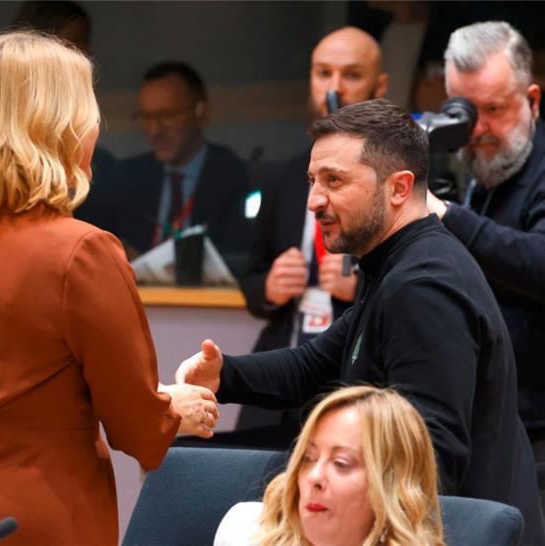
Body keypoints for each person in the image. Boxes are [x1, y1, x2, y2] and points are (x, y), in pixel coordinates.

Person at [0, 32, 218, 546]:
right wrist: (176, 410)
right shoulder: (82, 251)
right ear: (62, 124)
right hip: (32, 520)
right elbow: (138, 430)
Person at [176, 99, 545, 544]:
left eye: (335, 181)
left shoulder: (424, 285)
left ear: (399, 188)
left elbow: (429, 457)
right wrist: (223, 375)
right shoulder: (394, 265)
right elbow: (317, 365)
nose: (314, 200)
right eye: (313, 181)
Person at [237, 27, 389, 442]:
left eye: (351, 75)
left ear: (380, 86)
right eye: (323, 73)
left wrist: (359, 288)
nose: (334, 87)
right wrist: (269, 287)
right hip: (284, 362)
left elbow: (415, 283)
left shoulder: (395, 179)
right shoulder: (286, 176)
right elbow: (251, 279)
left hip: (354, 377)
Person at [425, 21, 545, 504]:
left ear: (533, 100)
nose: (478, 130)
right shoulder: (485, 171)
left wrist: (450, 216)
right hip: (488, 427)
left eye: (495, 110)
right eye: (464, 111)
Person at [214, 386, 444, 546]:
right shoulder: (244, 533)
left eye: (341, 463)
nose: (314, 476)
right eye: (308, 458)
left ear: (392, 485)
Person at [108, 61, 250, 259]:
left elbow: (241, 260)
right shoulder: (125, 176)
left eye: (167, 116)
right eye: (145, 118)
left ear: (201, 113)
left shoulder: (233, 176)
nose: (154, 130)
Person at [11, 0, 117, 230]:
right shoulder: (7, 149)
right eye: (70, 44)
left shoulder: (104, 166)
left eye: (84, 42)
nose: (84, 55)